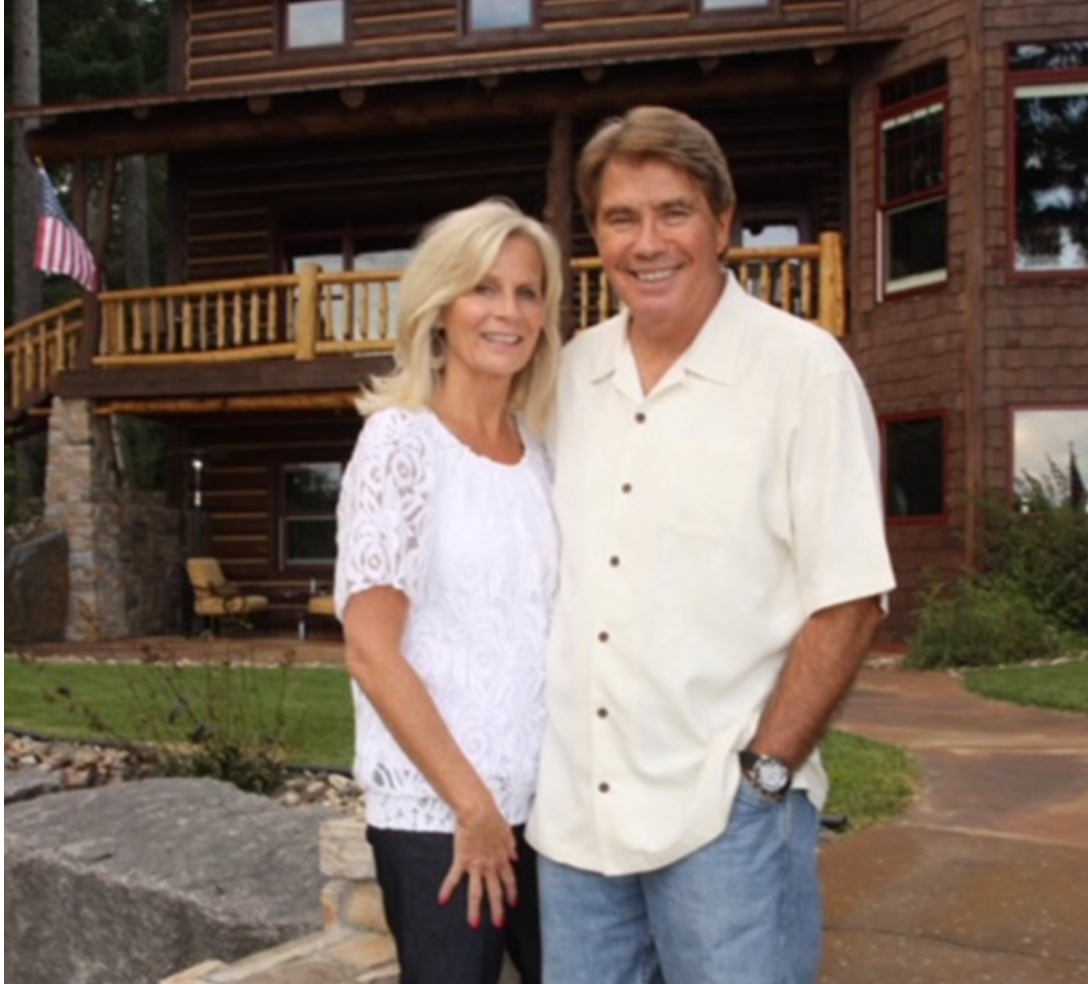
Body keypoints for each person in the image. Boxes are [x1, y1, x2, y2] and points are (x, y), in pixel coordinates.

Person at [527, 106, 896, 984]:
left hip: (724, 821)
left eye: (674, 212)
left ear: (723, 223)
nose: (647, 242)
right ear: (597, 237)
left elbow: (849, 599)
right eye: (622, 218)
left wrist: (764, 776)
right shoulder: (567, 376)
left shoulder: (802, 371)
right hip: (575, 828)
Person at [334, 198, 563, 984]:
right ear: (440, 307)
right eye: (483, 289)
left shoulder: (540, 451)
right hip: (442, 817)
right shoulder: (400, 442)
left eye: (527, 292)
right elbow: (371, 654)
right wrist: (473, 807)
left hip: (548, 811)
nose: (508, 312)